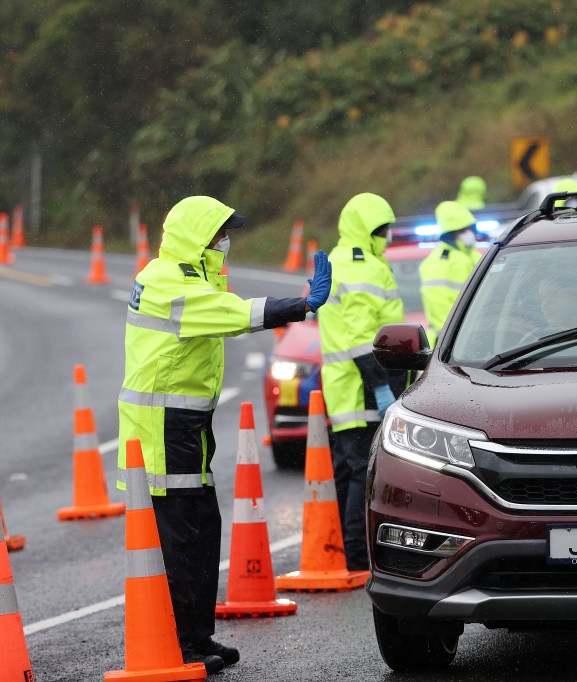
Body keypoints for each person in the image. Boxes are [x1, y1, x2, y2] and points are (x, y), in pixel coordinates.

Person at [117, 195, 331, 674]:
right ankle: (180, 642)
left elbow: (221, 309)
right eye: (218, 234)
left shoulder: (186, 276)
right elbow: (233, 313)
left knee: (202, 527)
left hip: (184, 425)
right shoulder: (168, 283)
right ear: (197, 239)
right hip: (163, 429)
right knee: (180, 536)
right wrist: (299, 305)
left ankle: (197, 635)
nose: (224, 242)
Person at [318, 192, 407, 571]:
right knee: (361, 471)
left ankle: (345, 548)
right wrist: (380, 384)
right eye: (382, 230)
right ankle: (356, 555)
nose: (386, 236)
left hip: (344, 386)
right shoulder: (360, 266)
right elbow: (360, 334)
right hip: (361, 386)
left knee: (347, 469)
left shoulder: (346, 260)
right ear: (367, 231)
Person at [418, 200, 483, 344]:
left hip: (474, 335)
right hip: (451, 340)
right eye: (462, 230)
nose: (468, 234)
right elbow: (441, 308)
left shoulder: (476, 256)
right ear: (450, 234)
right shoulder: (437, 263)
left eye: (469, 229)